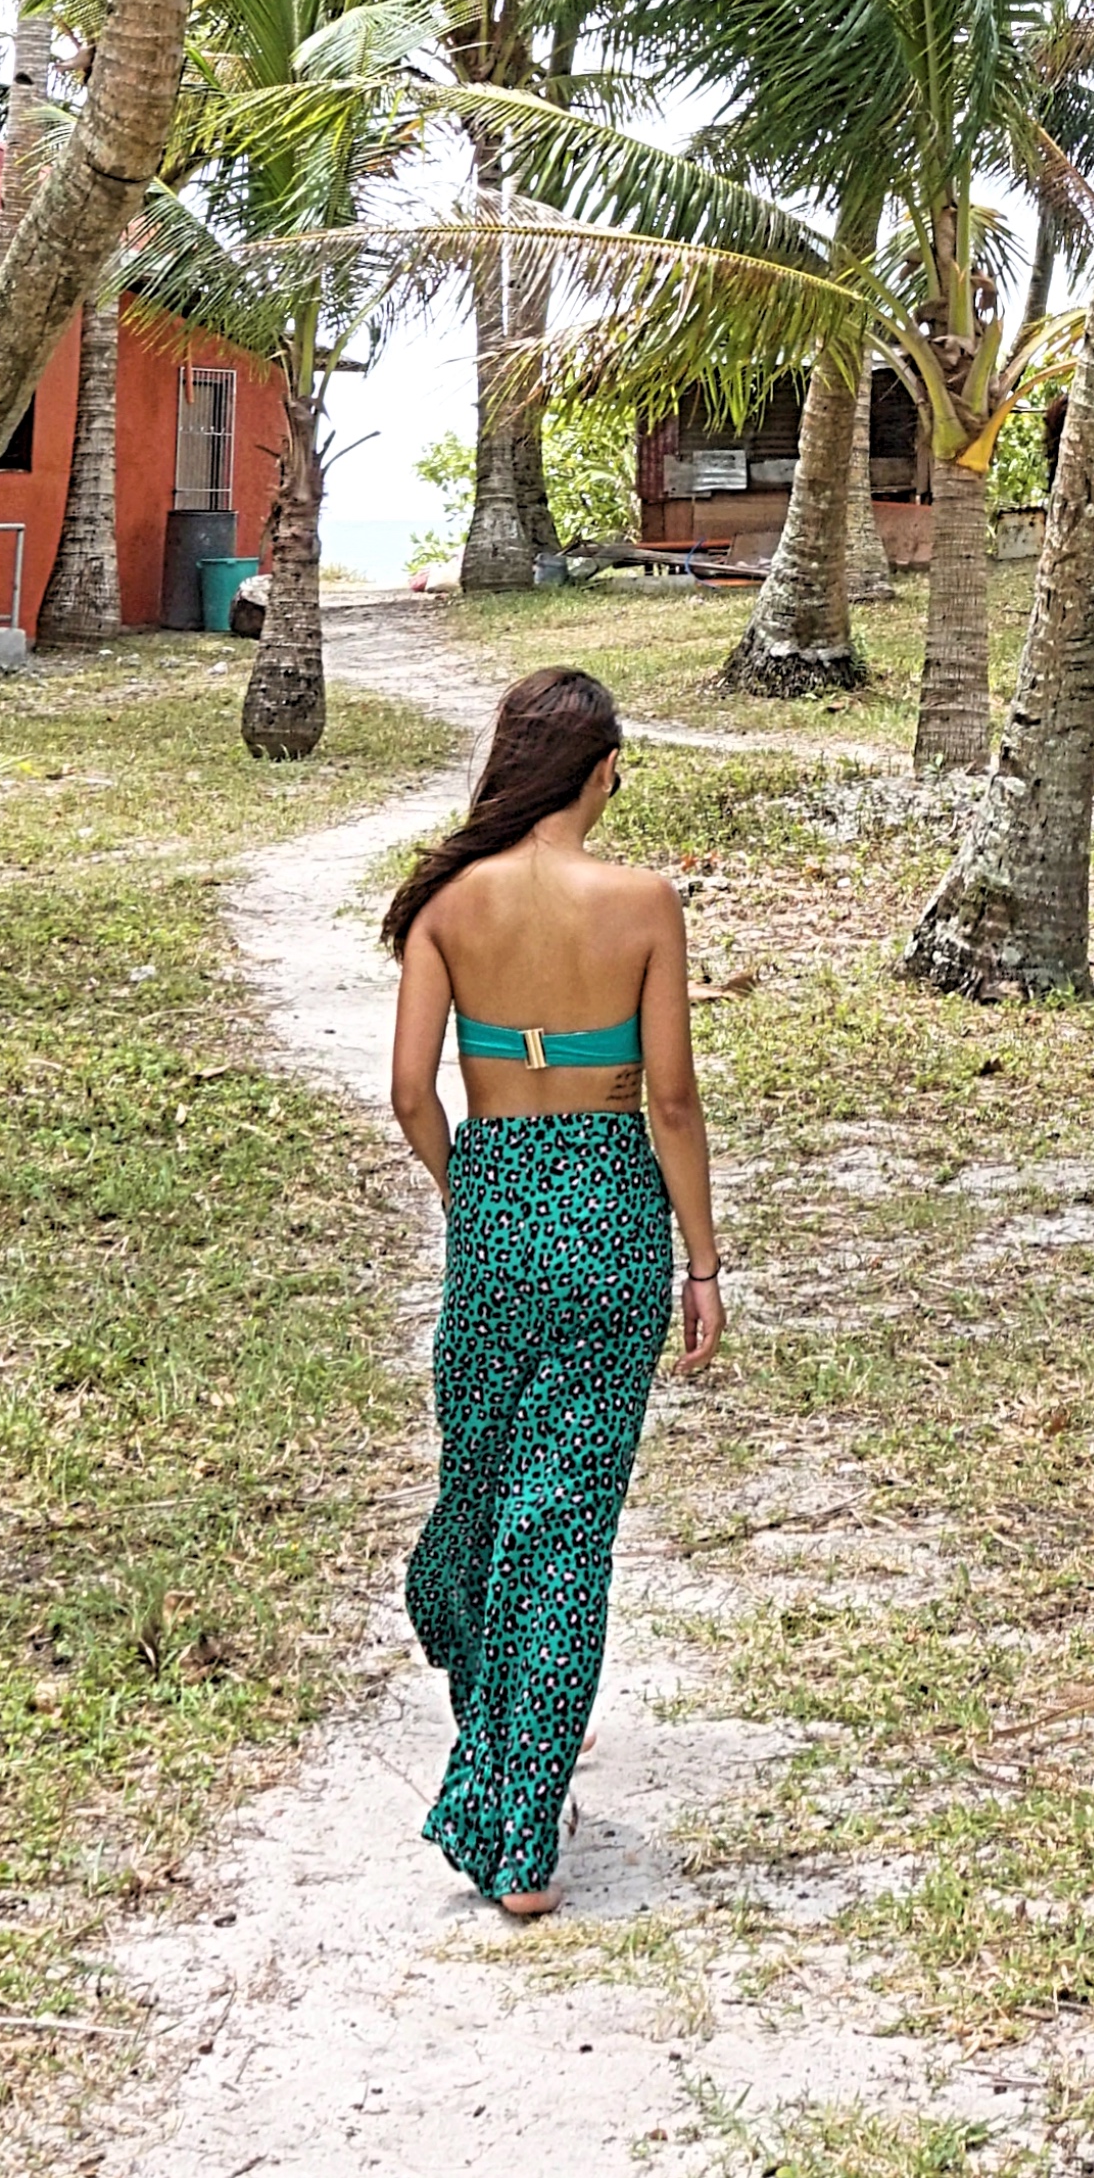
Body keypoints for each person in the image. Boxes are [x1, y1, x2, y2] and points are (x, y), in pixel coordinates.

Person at [382, 666, 723, 1917]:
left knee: (478, 1496)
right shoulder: (644, 904)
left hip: (498, 1207)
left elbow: (415, 1090)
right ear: (599, 770)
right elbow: (672, 1100)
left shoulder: (443, 904)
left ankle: (511, 1781)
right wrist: (702, 1258)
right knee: (566, 1522)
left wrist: (465, 1189)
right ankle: (521, 1800)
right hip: (615, 1212)